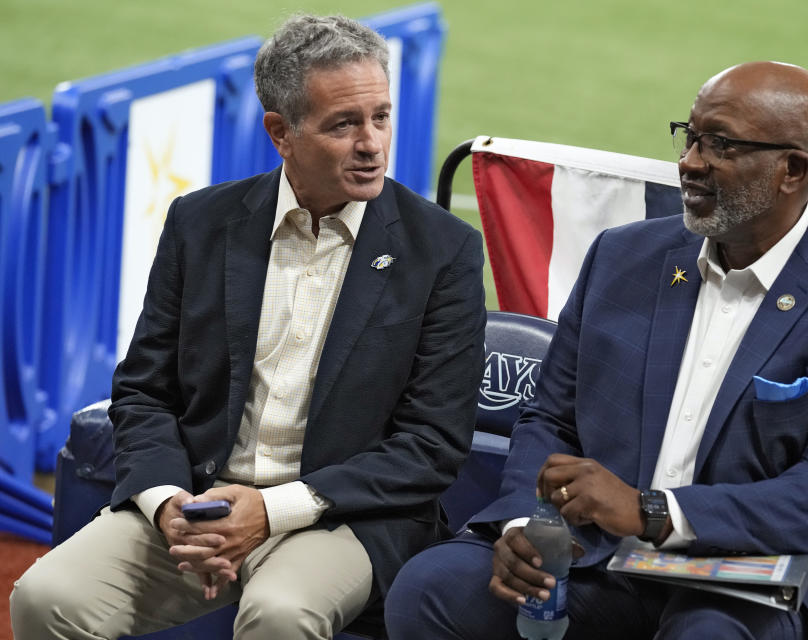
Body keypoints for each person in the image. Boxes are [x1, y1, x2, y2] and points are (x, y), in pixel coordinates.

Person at [384, 61, 808, 640]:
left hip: (771, 572)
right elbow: (551, 417)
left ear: (792, 170)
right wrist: (530, 526)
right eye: (690, 134)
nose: (689, 161)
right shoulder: (622, 258)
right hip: (601, 554)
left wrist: (655, 512)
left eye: (719, 144)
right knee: (433, 588)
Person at [10, 13, 485, 640]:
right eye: (344, 124)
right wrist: (165, 503)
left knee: (280, 616)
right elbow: (144, 391)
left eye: (381, 116)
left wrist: (271, 509)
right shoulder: (200, 223)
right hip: (198, 500)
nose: (371, 142)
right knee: (45, 597)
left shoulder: (444, 250)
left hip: (341, 517)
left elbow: (432, 444)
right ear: (280, 132)